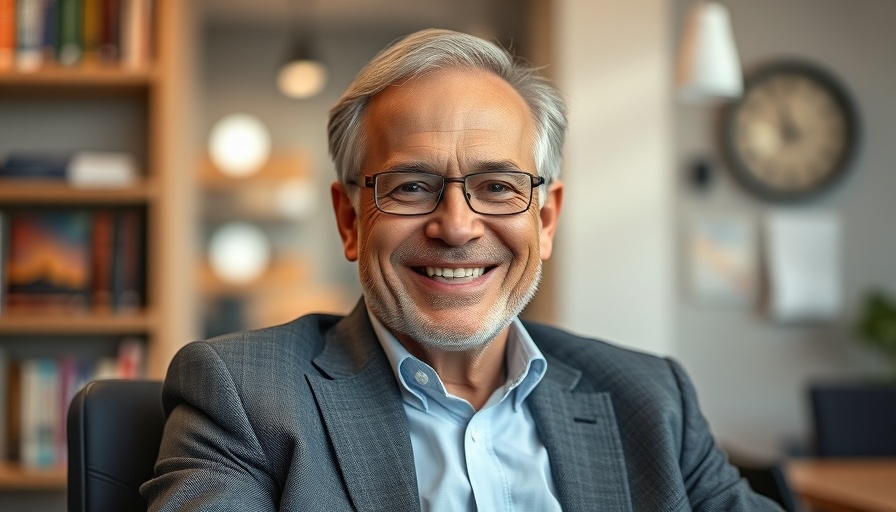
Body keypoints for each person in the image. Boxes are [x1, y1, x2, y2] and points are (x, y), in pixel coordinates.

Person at [141, 28, 782, 511]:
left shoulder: (650, 398)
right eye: (412, 186)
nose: (456, 226)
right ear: (349, 221)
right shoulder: (242, 394)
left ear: (547, 220)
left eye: (498, 186)